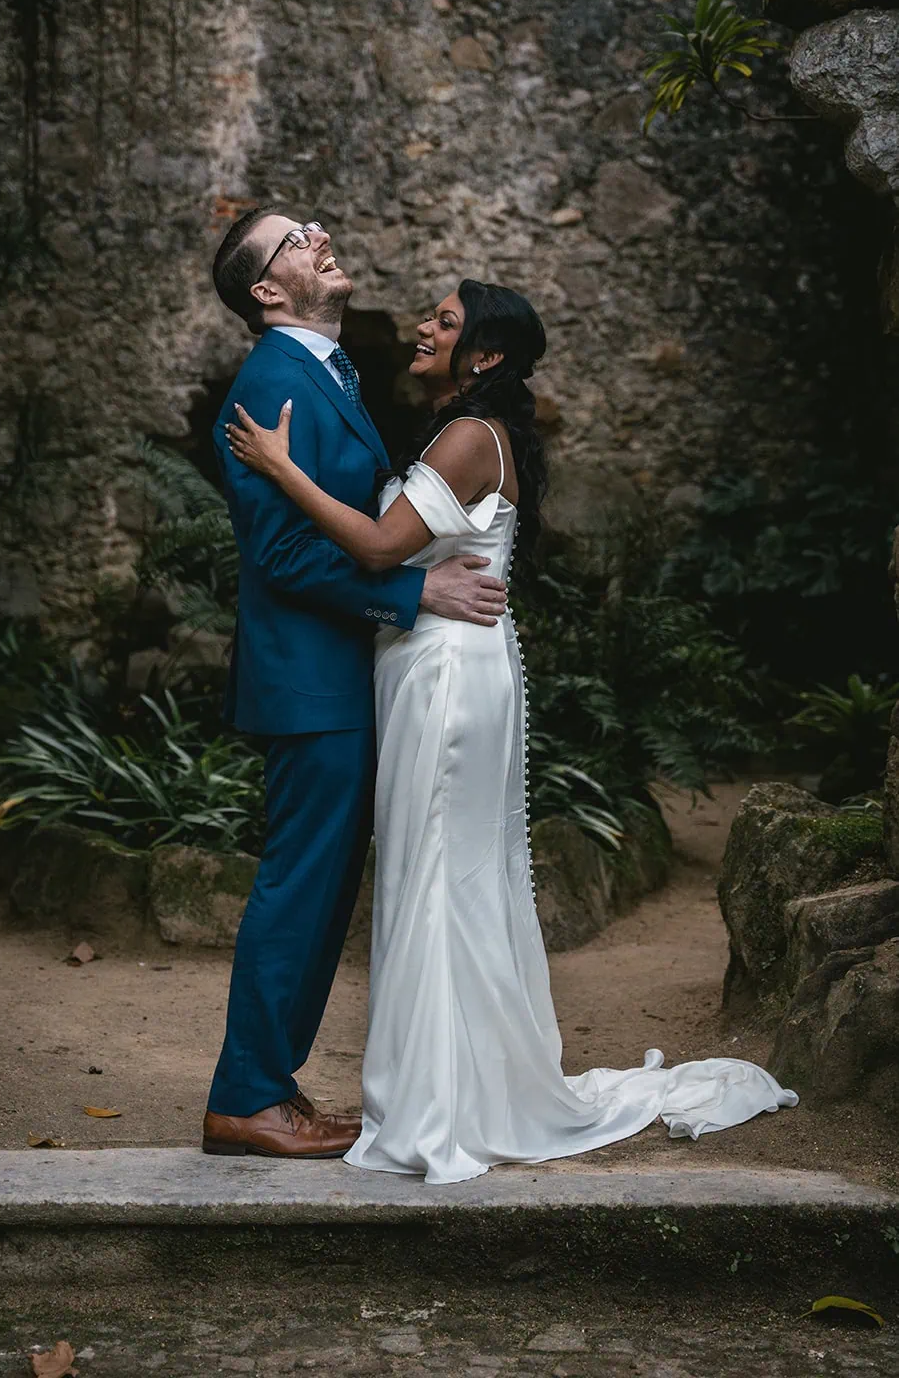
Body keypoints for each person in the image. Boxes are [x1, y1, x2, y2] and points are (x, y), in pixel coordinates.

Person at [226, 275, 799, 1185]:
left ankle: (442, 1102)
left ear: (484, 355)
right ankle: (443, 1087)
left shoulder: (465, 439)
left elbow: (378, 549)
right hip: (439, 662)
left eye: (444, 323)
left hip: (448, 673)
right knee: (437, 876)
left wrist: (281, 467)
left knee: (438, 878)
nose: (422, 327)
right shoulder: (462, 430)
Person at [202, 211, 508, 1160]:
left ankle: (268, 1087)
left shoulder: (322, 370)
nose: (320, 235)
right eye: (295, 238)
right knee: (300, 885)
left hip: (342, 677)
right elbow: (287, 551)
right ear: (265, 290)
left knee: (325, 888)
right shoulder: (270, 381)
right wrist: (418, 592)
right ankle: (246, 1096)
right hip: (310, 682)